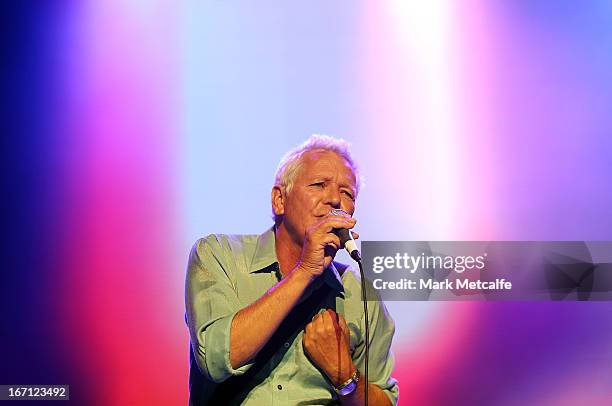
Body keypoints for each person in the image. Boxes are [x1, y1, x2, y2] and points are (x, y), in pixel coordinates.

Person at [185, 135, 398, 405]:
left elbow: (385, 400)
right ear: (279, 200)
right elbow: (216, 359)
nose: (334, 199)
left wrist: (345, 375)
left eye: (347, 193)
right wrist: (304, 271)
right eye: (319, 185)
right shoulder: (218, 254)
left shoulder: (359, 294)